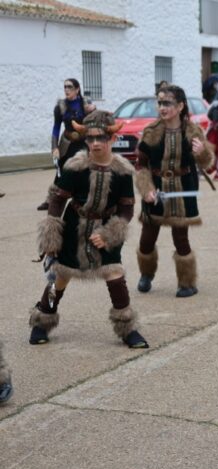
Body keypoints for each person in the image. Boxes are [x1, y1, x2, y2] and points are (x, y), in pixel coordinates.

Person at [29, 110, 149, 349]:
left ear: (112, 139)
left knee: (115, 273)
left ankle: (127, 329)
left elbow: (126, 210)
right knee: (59, 277)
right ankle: (42, 321)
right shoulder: (75, 166)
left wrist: (110, 234)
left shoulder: (123, 171)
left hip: (106, 229)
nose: (95, 143)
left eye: (101, 138)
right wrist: (52, 235)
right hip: (74, 227)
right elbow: (57, 199)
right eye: (90, 138)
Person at [134, 85, 214, 298]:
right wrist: (146, 189)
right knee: (147, 239)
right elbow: (141, 165)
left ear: (180, 106)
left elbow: (207, 163)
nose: (162, 107)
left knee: (181, 238)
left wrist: (202, 152)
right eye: (160, 103)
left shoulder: (193, 131)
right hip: (156, 190)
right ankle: (146, 274)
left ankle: (187, 283)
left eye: (167, 103)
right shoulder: (151, 132)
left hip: (183, 189)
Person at [39, 78, 95, 211]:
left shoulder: (86, 104)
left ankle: (88, 197)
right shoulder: (60, 107)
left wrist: (93, 110)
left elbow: (93, 123)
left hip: (83, 142)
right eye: (65, 87)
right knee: (61, 172)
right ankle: (51, 199)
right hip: (67, 142)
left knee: (86, 169)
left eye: (69, 87)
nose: (66, 90)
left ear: (77, 89)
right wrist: (54, 147)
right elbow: (56, 128)